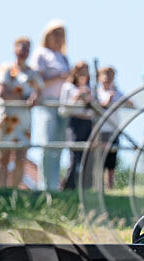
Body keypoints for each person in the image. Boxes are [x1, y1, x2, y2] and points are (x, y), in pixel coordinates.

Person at [0, 37, 42, 188]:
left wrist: (33, 98)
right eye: (21, 47)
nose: (23, 50)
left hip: (23, 120)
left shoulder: (33, 73)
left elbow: (38, 94)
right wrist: (23, 98)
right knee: (3, 157)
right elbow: (2, 92)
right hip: (6, 119)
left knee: (21, 156)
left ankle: (14, 191)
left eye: (27, 48)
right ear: (14, 48)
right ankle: (1, 190)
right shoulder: (6, 68)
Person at [32, 21, 70, 191]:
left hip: (63, 105)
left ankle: (54, 186)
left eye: (61, 34)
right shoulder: (41, 53)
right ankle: (44, 186)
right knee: (47, 145)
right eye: (55, 33)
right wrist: (59, 77)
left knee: (59, 146)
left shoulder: (63, 57)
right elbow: (37, 80)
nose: (57, 37)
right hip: (47, 104)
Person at [96, 66, 133, 190]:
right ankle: (98, 185)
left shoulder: (117, 92)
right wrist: (109, 100)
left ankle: (110, 186)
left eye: (110, 75)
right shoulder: (97, 92)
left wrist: (120, 99)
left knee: (112, 160)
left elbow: (130, 103)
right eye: (105, 75)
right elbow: (99, 106)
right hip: (100, 130)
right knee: (99, 158)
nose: (107, 78)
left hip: (113, 129)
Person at [59, 61, 93, 190]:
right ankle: (69, 185)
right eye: (80, 70)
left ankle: (86, 187)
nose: (83, 74)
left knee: (87, 156)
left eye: (86, 70)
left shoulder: (90, 88)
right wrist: (76, 97)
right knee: (74, 155)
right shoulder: (68, 87)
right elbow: (63, 110)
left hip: (88, 123)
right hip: (75, 123)